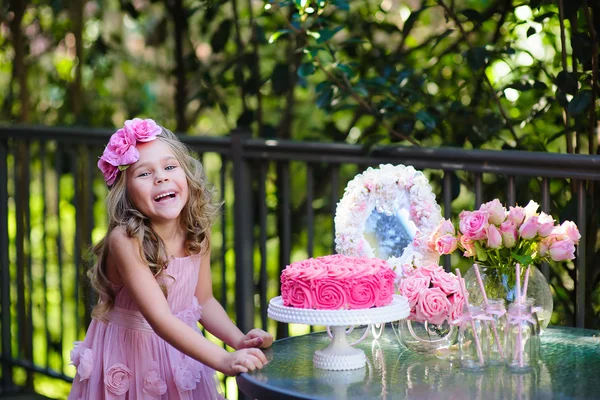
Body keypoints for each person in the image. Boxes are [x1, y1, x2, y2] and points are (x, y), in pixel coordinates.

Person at [68, 118, 273, 399]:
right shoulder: (126, 240)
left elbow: (203, 301)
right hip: (131, 357)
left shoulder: (196, 230)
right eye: (144, 173)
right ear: (125, 191)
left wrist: (238, 341)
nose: (161, 177)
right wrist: (222, 360)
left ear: (186, 176)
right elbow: (161, 318)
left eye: (169, 167)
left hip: (181, 352)